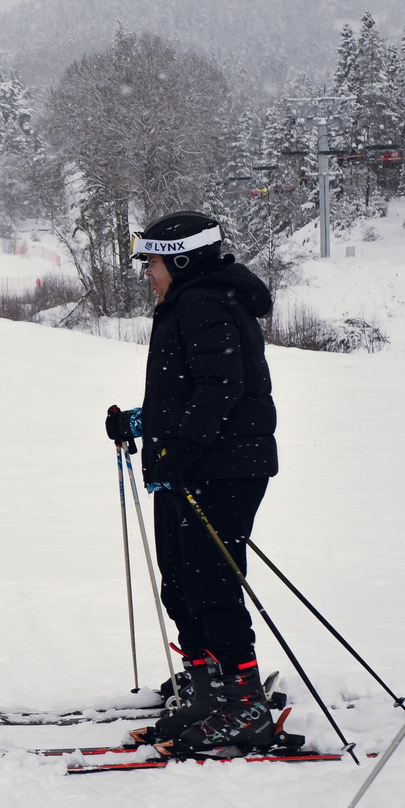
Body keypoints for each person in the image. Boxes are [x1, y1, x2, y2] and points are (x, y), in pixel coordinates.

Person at [104, 212, 280, 755]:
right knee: (181, 582)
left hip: (223, 470)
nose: (148, 274)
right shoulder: (189, 303)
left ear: (180, 261)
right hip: (199, 466)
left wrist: (176, 452)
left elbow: (221, 390)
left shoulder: (204, 302)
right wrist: (140, 423)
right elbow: (189, 391)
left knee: (212, 584)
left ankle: (243, 703)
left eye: (152, 263)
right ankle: (206, 688)